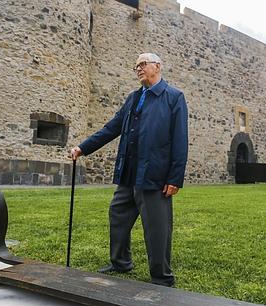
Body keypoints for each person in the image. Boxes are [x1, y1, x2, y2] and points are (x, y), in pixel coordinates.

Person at [70, 53, 188, 287]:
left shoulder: (174, 97)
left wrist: (175, 177)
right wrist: (83, 148)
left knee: (157, 229)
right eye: (136, 66)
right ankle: (121, 262)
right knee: (118, 214)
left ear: (157, 66)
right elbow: (111, 128)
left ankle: (161, 277)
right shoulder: (133, 98)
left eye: (143, 64)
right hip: (129, 173)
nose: (138, 69)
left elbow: (180, 140)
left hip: (155, 176)